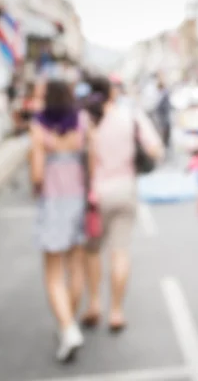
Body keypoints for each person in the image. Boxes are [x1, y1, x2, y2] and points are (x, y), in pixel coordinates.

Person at [82, 76, 164, 332]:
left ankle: (94, 303)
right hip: (125, 190)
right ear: (112, 94)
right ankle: (116, 310)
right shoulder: (130, 117)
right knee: (120, 251)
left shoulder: (85, 121)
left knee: (92, 252)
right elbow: (156, 150)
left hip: (93, 196)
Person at [30, 80, 87, 362]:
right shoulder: (81, 122)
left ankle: (68, 327)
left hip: (53, 204)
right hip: (78, 199)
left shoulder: (39, 125)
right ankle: (69, 322)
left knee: (53, 273)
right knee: (75, 267)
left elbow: (37, 174)